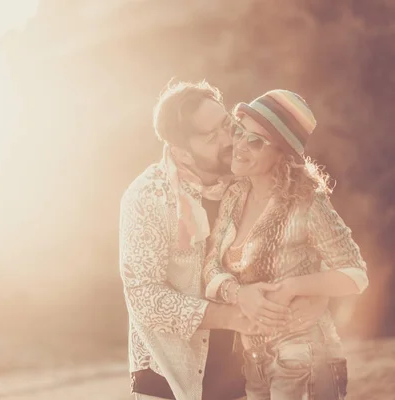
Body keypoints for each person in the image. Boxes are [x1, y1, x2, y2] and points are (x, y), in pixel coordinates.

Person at [119, 80, 328, 400]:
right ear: (180, 149)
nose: (229, 138)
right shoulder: (147, 197)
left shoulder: (248, 178)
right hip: (170, 375)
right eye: (211, 135)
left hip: (241, 372)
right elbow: (145, 297)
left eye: (227, 124)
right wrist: (235, 315)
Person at [203, 89, 369, 399]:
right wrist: (239, 294)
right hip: (253, 360)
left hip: (306, 356)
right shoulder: (235, 196)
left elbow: (355, 275)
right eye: (240, 131)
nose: (240, 145)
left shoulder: (307, 203)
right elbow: (210, 266)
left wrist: (294, 286)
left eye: (256, 142)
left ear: (282, 153)